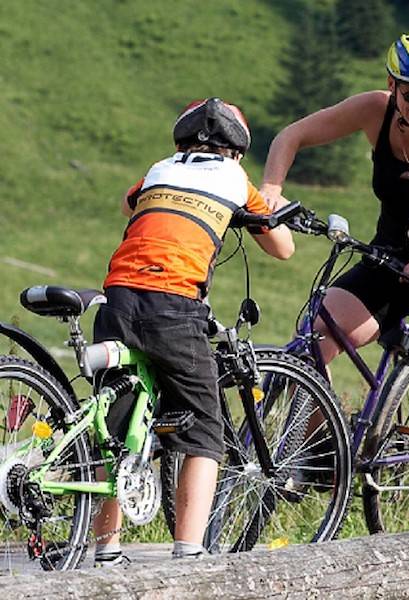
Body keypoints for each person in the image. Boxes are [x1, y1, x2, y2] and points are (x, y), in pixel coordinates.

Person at [259, 30, 409, 437]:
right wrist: (270, 189)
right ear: (393, 85)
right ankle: (325, 456)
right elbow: (291, 136)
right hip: (389, 255)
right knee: (312, 339)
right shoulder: (374, 110)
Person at [92, 97, 294, 565]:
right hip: (174, 305)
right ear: (236, 152)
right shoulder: (234, 178)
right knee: (205, 429)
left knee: (114, 429)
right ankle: (189, 552)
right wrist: (254, 211)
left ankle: (105, 549)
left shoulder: (160, 168)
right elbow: (281, 248)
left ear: (181, 142)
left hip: (118, 297)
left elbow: (128, 204)